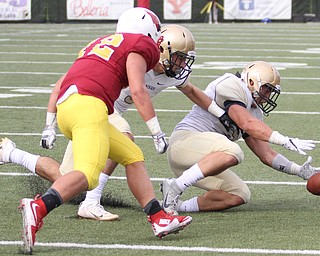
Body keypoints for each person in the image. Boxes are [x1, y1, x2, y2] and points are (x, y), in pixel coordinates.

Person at [15, 7, 193, 254]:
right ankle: (39, 207)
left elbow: (59, 84)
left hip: (69, 106)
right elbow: (138, 90)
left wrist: (49, 125)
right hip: (89, 106)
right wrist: (156, 131)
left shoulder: (96, 43)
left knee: (132, 155)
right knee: (87, 176)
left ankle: (158, 217)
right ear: (150, 31)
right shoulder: (142, 44)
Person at [160, 60, 319, 216]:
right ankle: (175, 187)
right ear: (251, 81)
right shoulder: (232, 84)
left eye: (271, 91)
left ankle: (178, 205)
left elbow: (266, 154)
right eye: (266, 89)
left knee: (239, 194)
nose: (267, 95)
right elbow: (247, 123)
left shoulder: (254, 110)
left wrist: (299, 171)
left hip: (201, 160)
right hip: (184, 143)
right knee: (233, 152)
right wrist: (284, 140)